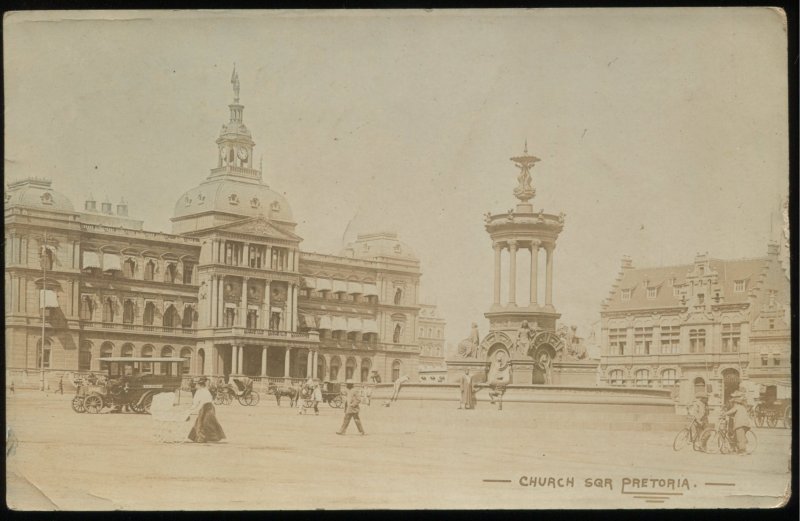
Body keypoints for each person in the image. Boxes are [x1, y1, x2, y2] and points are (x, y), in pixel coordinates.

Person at [187, 377, 226, 443]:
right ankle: (201, 437)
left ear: (200, 385)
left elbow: (201, 402)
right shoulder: (200, 391)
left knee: (207, 422)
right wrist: (191, 409)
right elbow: (196, 402)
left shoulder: (203, 391)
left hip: (208, 407)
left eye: (197, 385)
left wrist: (193, 409)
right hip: (206, 408)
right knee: (201, 422)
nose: (196, 386)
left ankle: (211, 437)